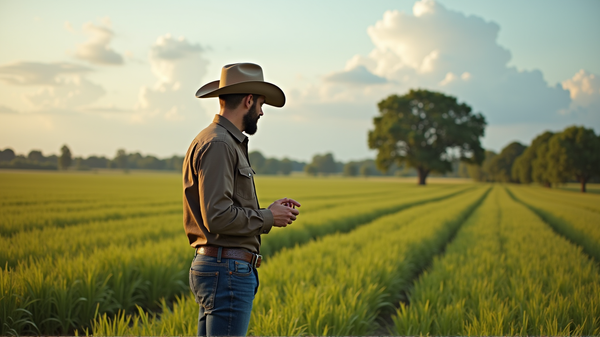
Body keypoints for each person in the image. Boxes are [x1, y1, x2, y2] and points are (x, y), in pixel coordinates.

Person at [182, 62, 301, 336]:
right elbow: (218, 216)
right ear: (248, 100)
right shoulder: (220, 144)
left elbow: (223, 208)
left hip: (221, 268)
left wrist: (267, 210)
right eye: (261, 104)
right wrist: (269, 217)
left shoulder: (217, 140)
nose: (261, 111)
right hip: (227, 271)